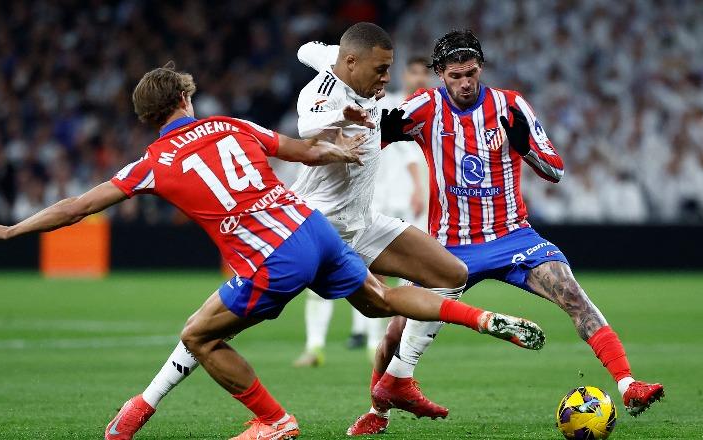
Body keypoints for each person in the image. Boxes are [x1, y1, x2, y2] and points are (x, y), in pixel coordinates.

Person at [99, 23, 547, 440]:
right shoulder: (322, 93)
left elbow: (308, 49)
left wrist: (336, 65)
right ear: (354, 65)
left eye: (388, 68)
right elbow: (311, 125)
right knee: (218, 328)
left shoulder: (350, 67)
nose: (387, 79)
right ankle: (146, 402)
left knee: (450, 274)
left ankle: (399, 379)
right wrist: (343, 118)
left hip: (361, 223)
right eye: (382, 70)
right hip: (311, 225)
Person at [320, 30, 663, 435]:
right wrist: (371, 131)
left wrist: (524, 145)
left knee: (572, 293)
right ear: (440, 74)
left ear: (480, 68)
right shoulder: (425, 107)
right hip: (449, 244)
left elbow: (556, 168)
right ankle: (379, 411)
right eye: (455, 76)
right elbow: (368, 142)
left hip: (512, 236)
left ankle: (627, 384)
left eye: (471, 73)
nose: (465, 83)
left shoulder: (510, 105)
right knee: (395, 331)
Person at [292, 55, 432, 366]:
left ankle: (376, 343)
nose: (419, 78)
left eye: (425, 73)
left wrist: (421, 189)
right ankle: (317, 345)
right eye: (414, 71)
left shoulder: (426, 109)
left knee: (386, 277)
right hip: (361, 200)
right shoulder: (384, 101)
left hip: (397, 203)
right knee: (329, 270)